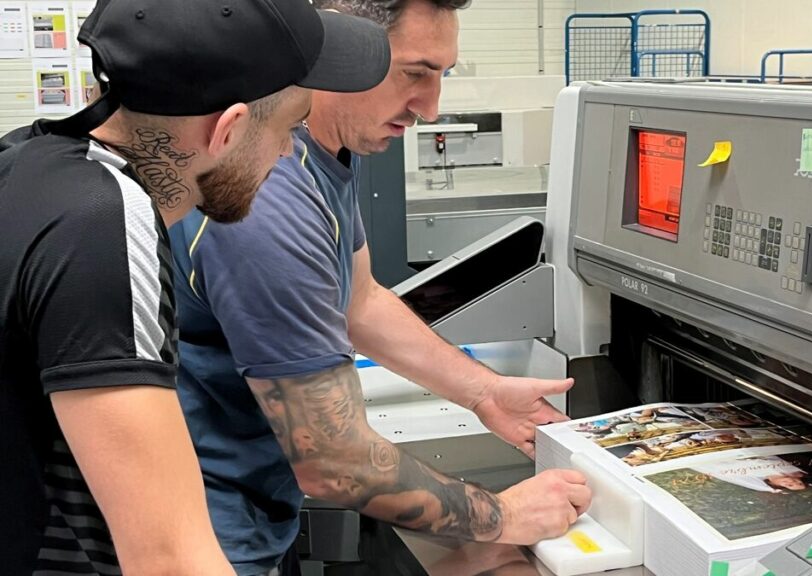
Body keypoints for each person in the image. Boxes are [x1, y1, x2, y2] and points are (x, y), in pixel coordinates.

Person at [168, 0, 591, 574]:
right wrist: (503, 516)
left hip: (251, 507)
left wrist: (483, 391)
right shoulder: (269, 197)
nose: (432, 108)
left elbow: (359, 298)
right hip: (197, 536)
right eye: (414, 73)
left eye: (442, 75)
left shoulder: (330, 146)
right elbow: (333, 461)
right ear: (341, 51)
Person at [0, 0, 391, 573]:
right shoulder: (105, 224)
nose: (288, 153)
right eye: (288, 130)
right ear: (228, 129)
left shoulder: (28, 160)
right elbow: (169, 561)